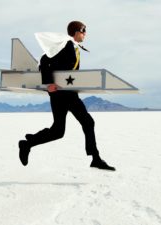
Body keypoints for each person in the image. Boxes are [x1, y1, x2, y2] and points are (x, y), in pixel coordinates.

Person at [18, 21, 115, 171]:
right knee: (87, 122)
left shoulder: (73, 47)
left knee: (58, 131)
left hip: (66, 93)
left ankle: (27, 144)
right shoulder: (66, 45)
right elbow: (45, 60)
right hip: (60, 94)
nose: (85, 34)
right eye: (83, 31)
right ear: (76, 32)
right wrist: (48, 83)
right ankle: (95, 158)